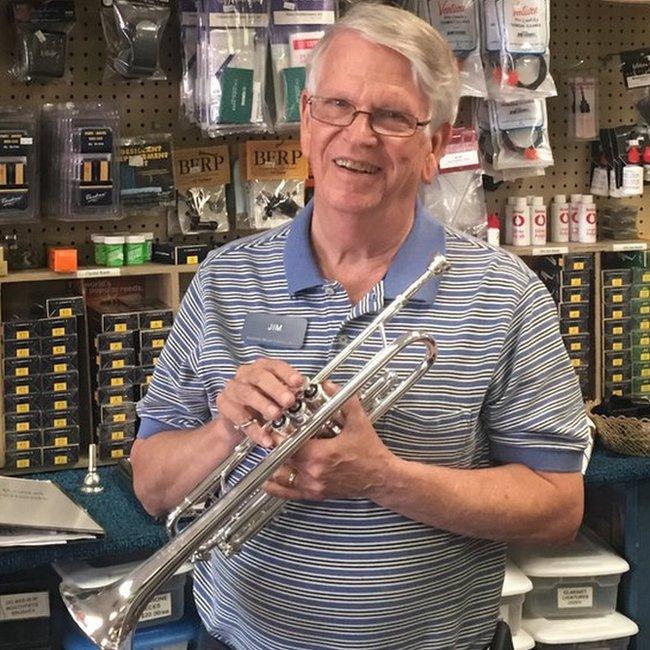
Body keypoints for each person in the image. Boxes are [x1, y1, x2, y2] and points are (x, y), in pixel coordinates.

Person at [132, 3, 591, 649]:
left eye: (393, 116)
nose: (358, 133)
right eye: (337, 105)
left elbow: (557, 510)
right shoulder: (222, 278)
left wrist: (382, 477)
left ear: (434, 147)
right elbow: (153, 489)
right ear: (306, 124)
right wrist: (223, 430)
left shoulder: (506, 292)